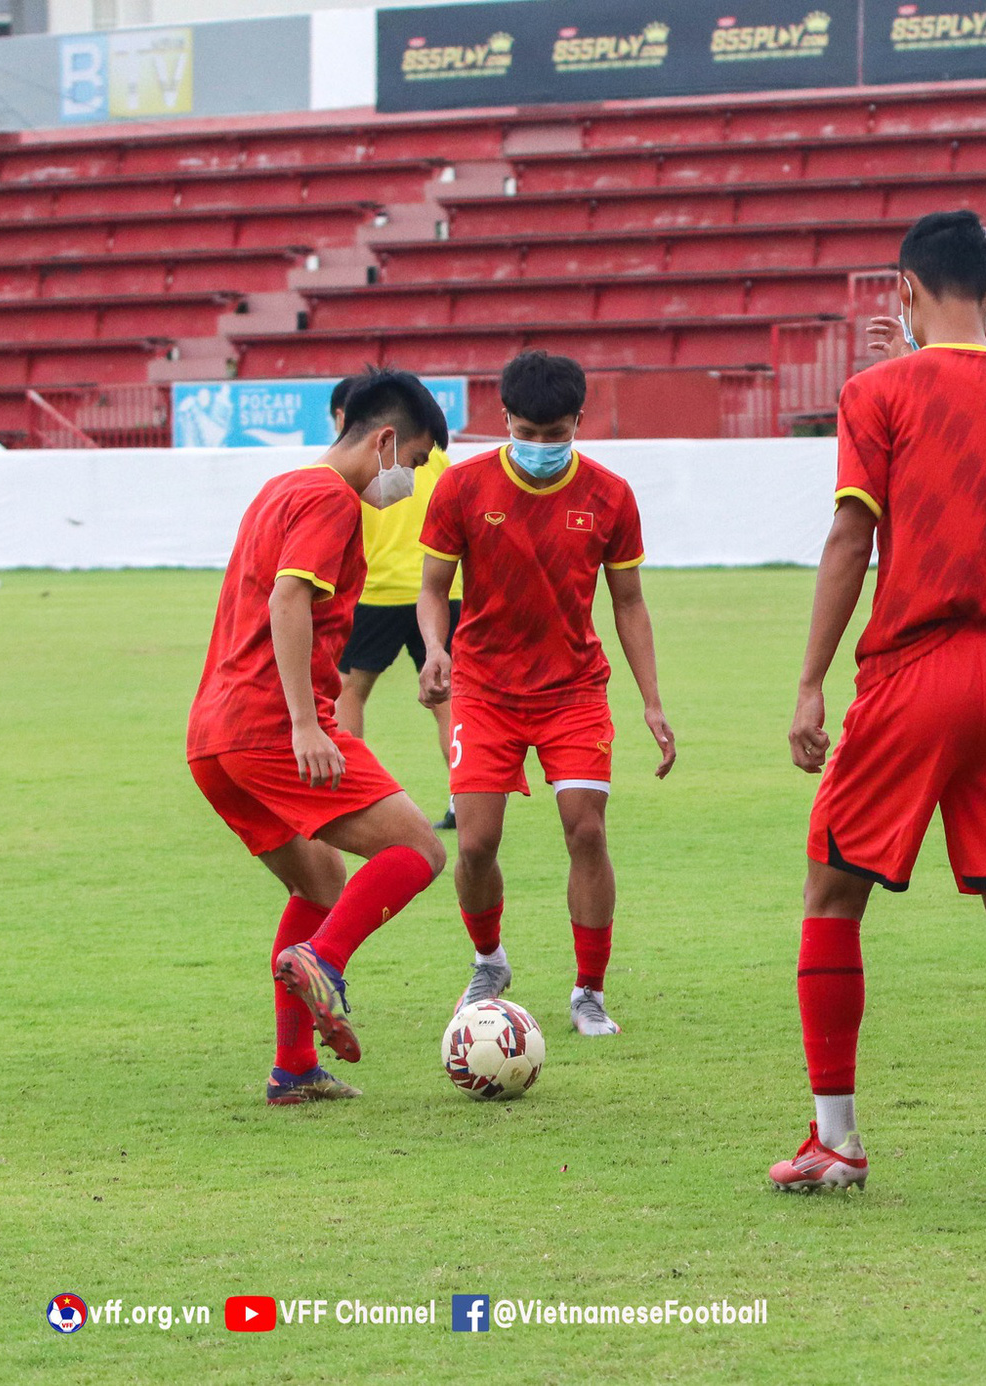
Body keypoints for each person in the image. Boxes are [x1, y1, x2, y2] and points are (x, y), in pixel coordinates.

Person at [769, 210, 986, 1200]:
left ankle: (835, 1140)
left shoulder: (878, 390)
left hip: (916, 669)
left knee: (832, 894)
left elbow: (847, 541)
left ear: (904, 293)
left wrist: (809, 679)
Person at [185, 370, 451, 1105]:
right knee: (420, 850)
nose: (411, 481)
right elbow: (288, 597)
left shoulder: (281, 486)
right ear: (386, 440)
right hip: (271, 725)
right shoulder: (332, 499)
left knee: (321, 882)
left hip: (215, 735)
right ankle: (325, 961)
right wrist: (306, 722)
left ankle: (293, 1070)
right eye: (416, 463)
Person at [417, 350, 678, 1037]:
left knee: (586, 829)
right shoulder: (463, 488)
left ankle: (589, 991)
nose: (539, 447)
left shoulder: (610, 495)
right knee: (475, 844)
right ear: (504, 419)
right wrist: (436, 648)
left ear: (578, 422)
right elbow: (432, 587)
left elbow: (628, 602)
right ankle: (489, 961)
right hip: (483, 689)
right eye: (527, 433)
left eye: (554, 433)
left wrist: (652, 701)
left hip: (573, 691)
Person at [329, 375, 462, 831]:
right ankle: (462, 798)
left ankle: (343, 794)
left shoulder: (350, 468)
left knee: (349, 692)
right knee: (448, 698)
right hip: (443, 589)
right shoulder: (438, 457)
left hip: (377, 589)